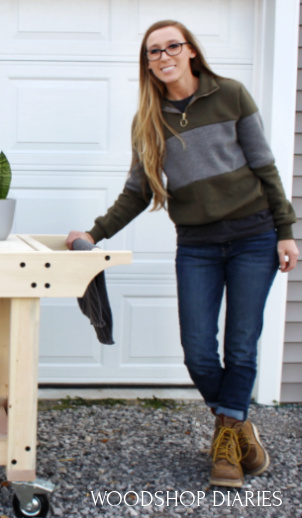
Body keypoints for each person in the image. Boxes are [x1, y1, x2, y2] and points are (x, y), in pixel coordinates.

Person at [65, 20, 299, 488]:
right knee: (198, 351)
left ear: (190, 51)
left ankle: (227, 450)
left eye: (172, 46)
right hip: (197, 246)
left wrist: (286, 230)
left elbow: (265, 166)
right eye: (153, 51)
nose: (163, 56)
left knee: (241, 343)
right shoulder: (148, 119)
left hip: (254, 236)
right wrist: (94, 233)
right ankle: (239, 427)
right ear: (146, 63)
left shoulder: (231, 94)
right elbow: (137, 192)